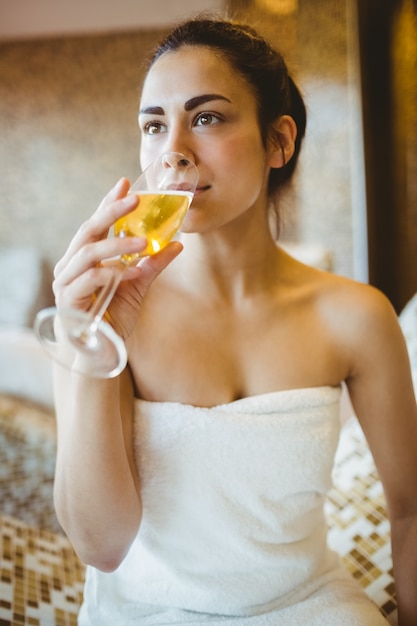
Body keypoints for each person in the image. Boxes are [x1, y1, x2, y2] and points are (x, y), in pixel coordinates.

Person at [51, 16, 417, 626]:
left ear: (279, 141)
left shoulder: (356, 317)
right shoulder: (106, 308)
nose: (173, 150)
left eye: (206, 117)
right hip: (145, 613)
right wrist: (90, 345)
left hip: (310, 607)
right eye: (153, 125)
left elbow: (410, 510)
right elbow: (101, 546)